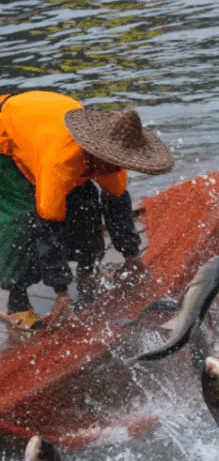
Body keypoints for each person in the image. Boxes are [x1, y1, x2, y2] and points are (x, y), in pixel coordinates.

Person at [0, 90, 174, 328]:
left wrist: (132, 258)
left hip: (43, 121)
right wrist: (61, 292)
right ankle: (17, 303)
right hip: (6, 135)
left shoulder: (111, 163)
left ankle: (87, 274)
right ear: (95, 153)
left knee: (87, 203)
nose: (116, 167)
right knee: (24, 215)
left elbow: (118, 210)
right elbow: (47, 228)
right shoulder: (59, 164)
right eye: (112, 161)